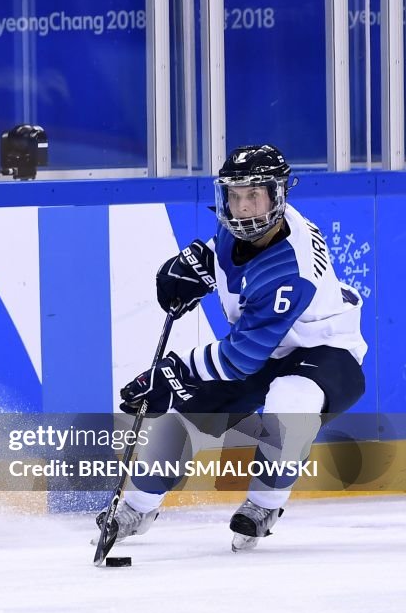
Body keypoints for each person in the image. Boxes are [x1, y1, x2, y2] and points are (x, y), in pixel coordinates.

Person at [102, 144, 367, 552]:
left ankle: (265, 504)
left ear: (278, 196)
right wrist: (199, 263)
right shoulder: (240, 226)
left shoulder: (289, 270)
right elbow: (230, 265)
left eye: (254, 196)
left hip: (326, 352)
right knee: (190, 415)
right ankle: (137, 505)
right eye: (235, 195)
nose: (242, 207)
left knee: (290, 403)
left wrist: (171, 374)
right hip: (267, 345)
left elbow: (240, 357)